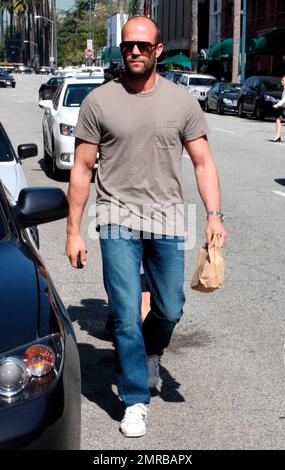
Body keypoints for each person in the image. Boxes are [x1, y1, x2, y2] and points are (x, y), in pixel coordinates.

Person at [66, 16, 227, 438]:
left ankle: (152, 349)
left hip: (169, 218)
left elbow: (203, 162)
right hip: (116, 217)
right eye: (127, 46)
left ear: (157, 50)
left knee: (171, 306)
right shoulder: (99, 102)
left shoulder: (181, 102)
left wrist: (214, 215)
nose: (133, 51)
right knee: (123, 313)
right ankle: (135, 398)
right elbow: (81, 170)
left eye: (142, 45)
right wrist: (73, 230)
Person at [271, 76, 285, 142]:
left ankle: (278, 136)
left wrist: (277, 105)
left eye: (282, 80)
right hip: (283, 107)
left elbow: (284, 99)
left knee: (278, 120)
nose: (281, 81)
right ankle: (278, 136)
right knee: (278, 119)